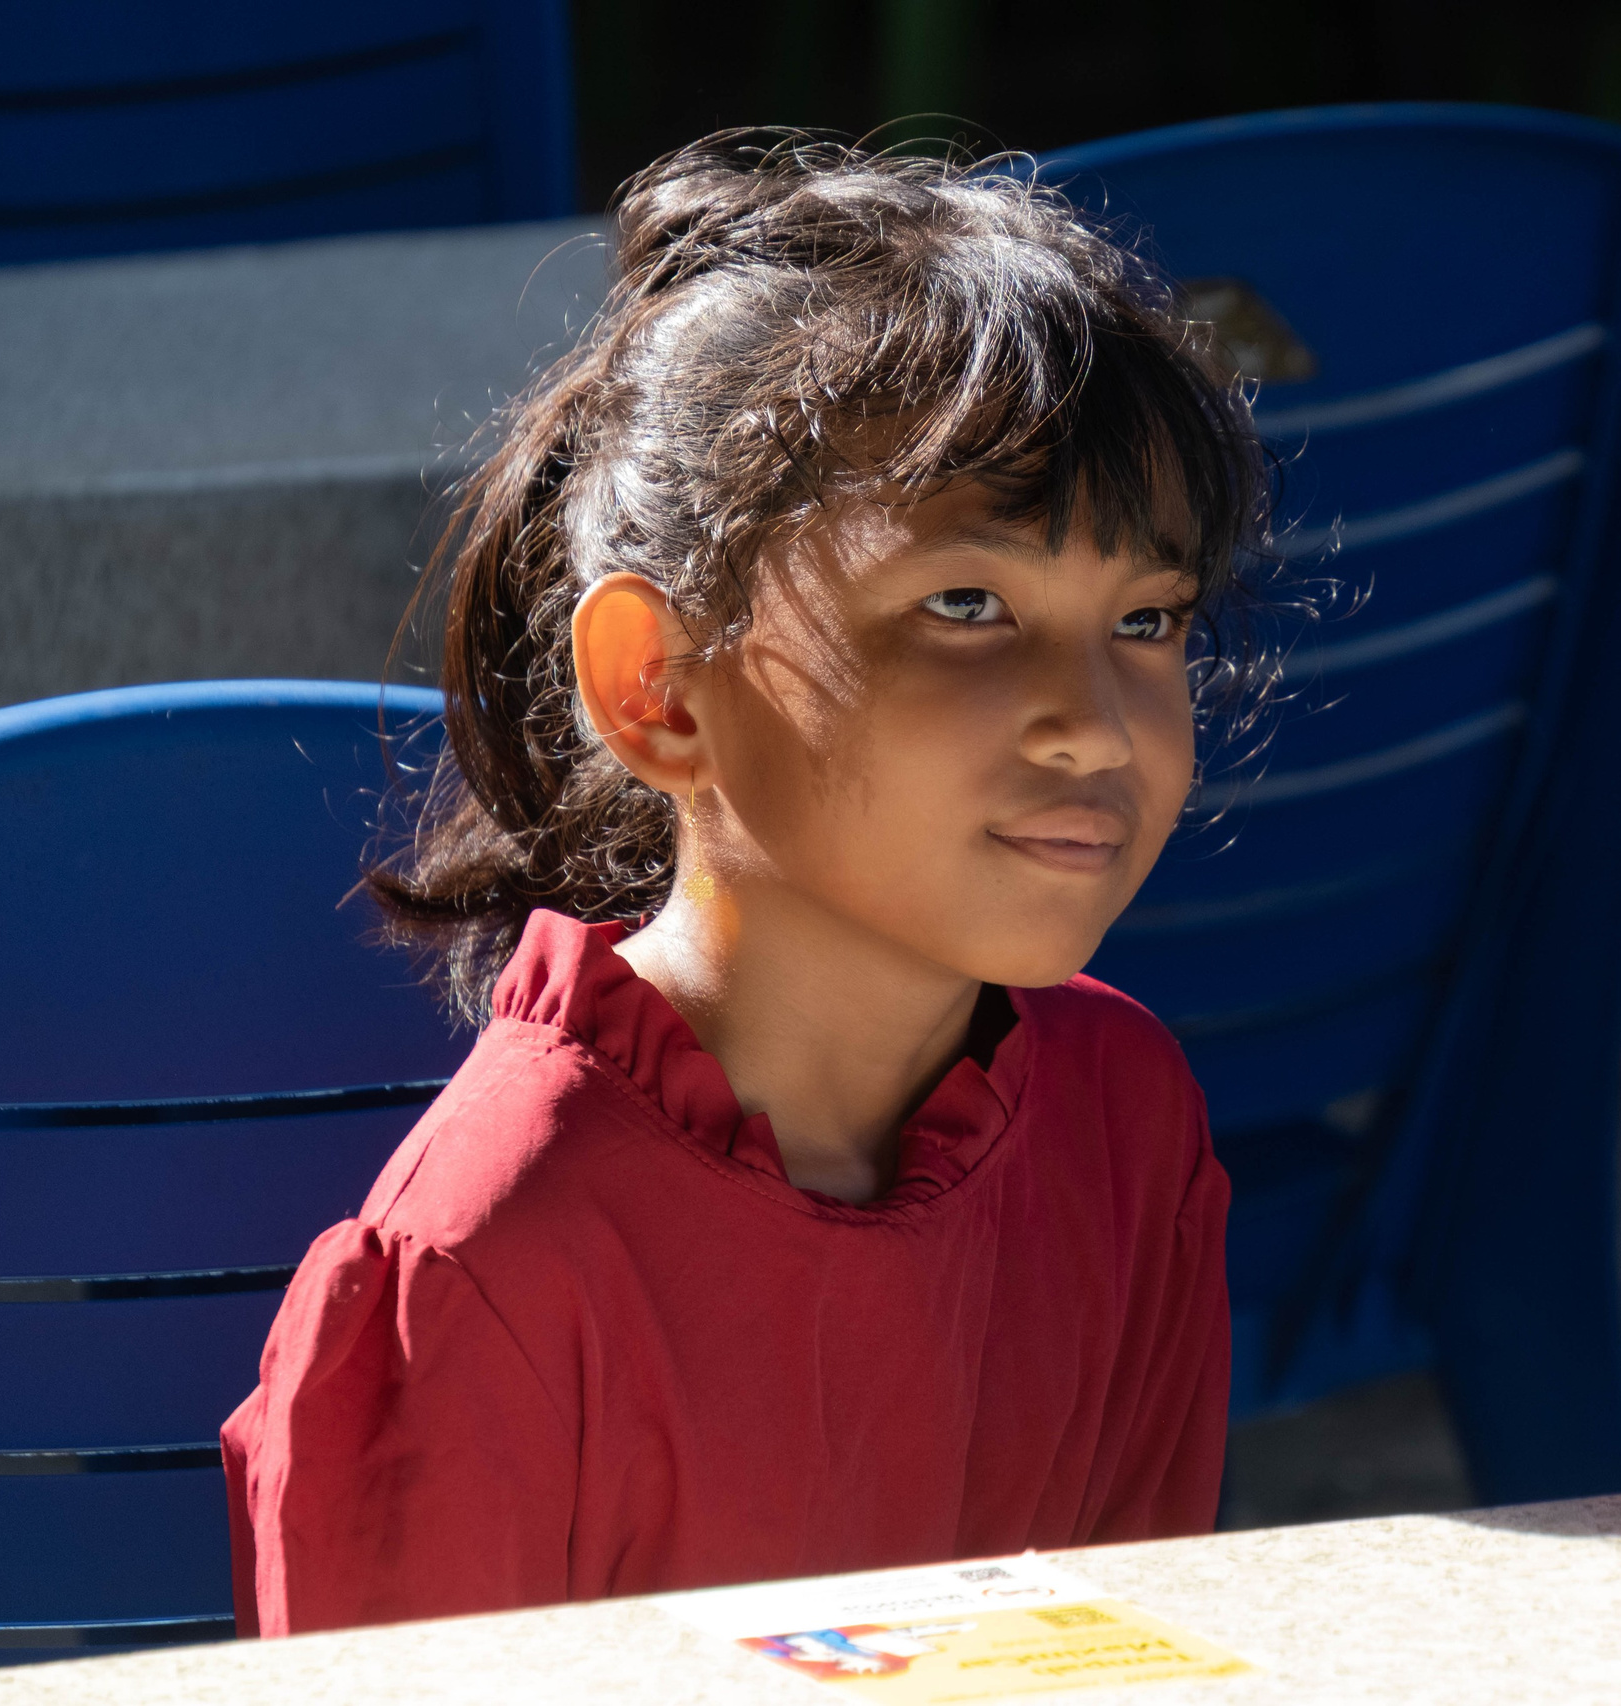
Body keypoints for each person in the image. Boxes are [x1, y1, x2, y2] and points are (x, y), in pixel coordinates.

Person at [220, 132, 1271, 1637]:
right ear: (657, 687)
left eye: (1148, 620)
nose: (1096, 724)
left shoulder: (1125, 1125)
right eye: (967, 603)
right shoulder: (489, 1264)